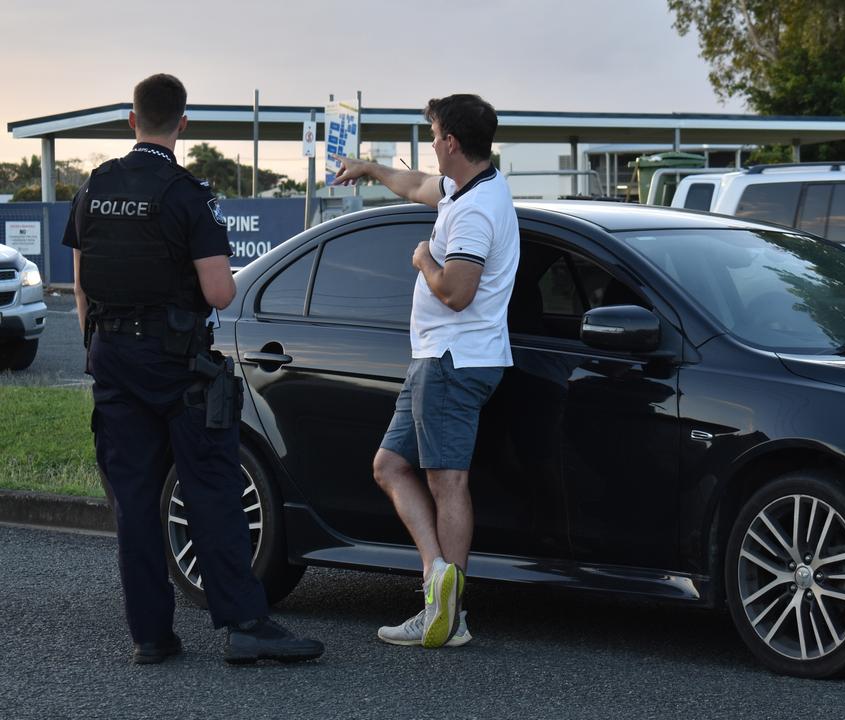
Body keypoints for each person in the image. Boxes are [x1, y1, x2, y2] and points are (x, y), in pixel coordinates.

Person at [62, 74, 324, 666]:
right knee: (211, 487)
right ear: (183, 124)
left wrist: (96, 347)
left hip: (109, 357)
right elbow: (220, 292)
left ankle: (151, 636)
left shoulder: (93, 187)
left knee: (132, 499)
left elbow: (81, 283)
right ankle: (245, 624)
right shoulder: (186, 193)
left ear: (131, 120)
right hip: (176, 363)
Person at [332, 93, 518, 649]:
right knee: (390, 465)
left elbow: (457, 292)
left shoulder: (474, 211)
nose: (431, 145)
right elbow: (415, 186)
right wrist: (368, 168)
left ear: (452, 143)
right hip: (442, 358)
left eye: (435, 136)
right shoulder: (472, 187)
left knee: (447, 482)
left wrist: (422, 260)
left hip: (453, 359)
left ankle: (449, 612)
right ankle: (440, 584)